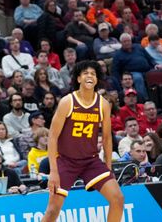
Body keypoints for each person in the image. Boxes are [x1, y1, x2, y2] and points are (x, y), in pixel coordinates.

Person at [41, 60, 124, 222]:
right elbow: (52, 137)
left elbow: (107, 138)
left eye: (93, 73)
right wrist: (54, 172)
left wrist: (108, 168)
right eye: (85, 73)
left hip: (90, 161)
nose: (89, 76)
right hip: (65, 161)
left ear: (97, 79)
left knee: (118, 198)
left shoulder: (103, 105)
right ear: (78, 79)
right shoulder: (67, 102)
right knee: (52, 211)